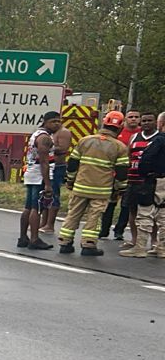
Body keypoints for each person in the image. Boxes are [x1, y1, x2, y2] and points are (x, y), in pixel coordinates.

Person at [58, 110, 131, 256]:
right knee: (94, 216)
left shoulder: (85, 140)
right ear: (121, 126)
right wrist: (120, 188)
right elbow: (122, 172)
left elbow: (73, 163)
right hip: (101, 190)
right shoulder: (119, 147)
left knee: (73, 214)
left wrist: (70, 180)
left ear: (104, 123)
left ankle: (65, 243)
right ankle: (88, 245)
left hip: (80, 186)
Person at [119, 111, 162, 255]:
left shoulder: (159, 139)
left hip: (151, 181)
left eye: (149, 120)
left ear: (156, 122)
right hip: (133, 179)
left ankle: (154, 242)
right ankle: (136, 241)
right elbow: (127, 157)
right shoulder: (134, 138)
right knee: (133, 210)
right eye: (143, 121)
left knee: (154, 212)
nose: (146, 123)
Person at [102, 108, 145, 242]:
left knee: (126, 205)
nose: (133, 119)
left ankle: (119, 231)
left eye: (136, 117)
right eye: (131, 116)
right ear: (125, 119)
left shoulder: (141, 134)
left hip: (132, 175)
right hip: (113, 174)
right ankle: (104, 230)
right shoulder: (118, 133)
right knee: (110, 203)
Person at [20, 111, 58, 250]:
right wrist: (48, 184)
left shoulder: (36, 134)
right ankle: (34, 239)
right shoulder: (44, 138)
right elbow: (44, 161)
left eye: (59, 121)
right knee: (37, 208)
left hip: (31, 173)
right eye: (53, 121)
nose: (57, 124)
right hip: (39, 176)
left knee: (28, 207)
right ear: (45, 122)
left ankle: (23, 237)